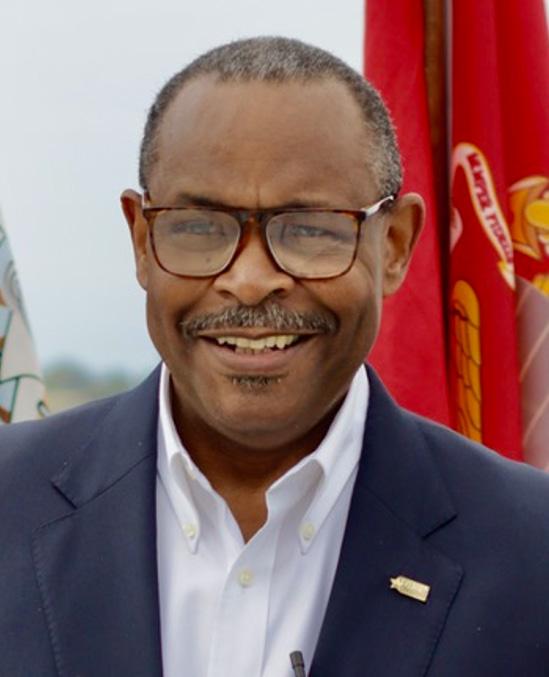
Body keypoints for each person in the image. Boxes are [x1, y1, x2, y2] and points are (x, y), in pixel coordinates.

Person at [1, 36, 549, 677]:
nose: (252, 281)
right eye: (199, 227)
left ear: (396, 245)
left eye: (311, 228)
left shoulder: (531, 552)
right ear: (142, 242)